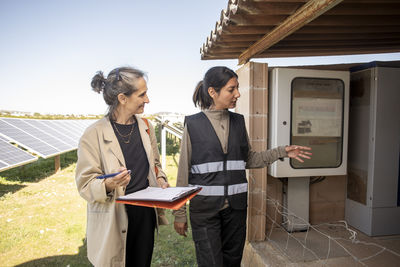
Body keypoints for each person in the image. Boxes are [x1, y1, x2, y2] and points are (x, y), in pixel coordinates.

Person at [173, 66, 312, 267]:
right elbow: (183, 171)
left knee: (232, 261)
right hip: (204, 211)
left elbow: (249, 159)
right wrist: (179, 213)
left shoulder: (238, 122)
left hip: (236, 209)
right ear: (213, 92)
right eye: (232, 89)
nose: (237, 94)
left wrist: (282, 151)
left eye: (237, 88)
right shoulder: (193, 124)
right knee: (210, 263)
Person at [75, 66, 169, 267]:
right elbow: (85, 185)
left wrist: (160, 178)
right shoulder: (93, 134)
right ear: (122, 98)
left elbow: (155, 165)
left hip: (144, 215)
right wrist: (109, 183)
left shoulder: (146, 126)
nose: (147, 100)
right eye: (142, 94)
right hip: (113, 218)